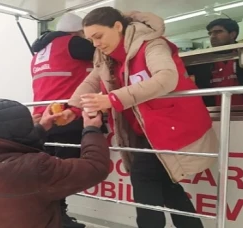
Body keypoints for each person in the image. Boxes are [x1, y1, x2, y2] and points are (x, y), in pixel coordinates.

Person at [63, 7, 219, 228]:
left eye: (98, 36)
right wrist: (71, 108)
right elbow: (91, 81)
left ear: (118, 27)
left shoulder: (152, 44)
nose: (95, 44)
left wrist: (113, 99)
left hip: (173, 127)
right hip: (147, 132)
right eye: (90, 40)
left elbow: (166, 78)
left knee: (143, 178)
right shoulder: (106, 56)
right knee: (167, 187)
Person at [0, 99, 110, 228]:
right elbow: (95, 167)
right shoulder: (35, 167)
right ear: (22, 128)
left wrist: (42, 127)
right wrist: (92, 130)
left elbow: (8, 144)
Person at [30, 12, 96, 228]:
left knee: (48, 171)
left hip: (43, 117)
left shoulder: (40, 51)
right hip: (67, 116)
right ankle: (59, 218)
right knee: (64, 172)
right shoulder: (74, 43)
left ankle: (52, 216)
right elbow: (107, 55)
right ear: (79, 31)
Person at [188, 18, 243, 106]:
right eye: (210, 33)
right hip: (213, 112)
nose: (213, 36)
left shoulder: (241, 54)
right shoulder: (201, 60)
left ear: (232, 34)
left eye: (218, 32)